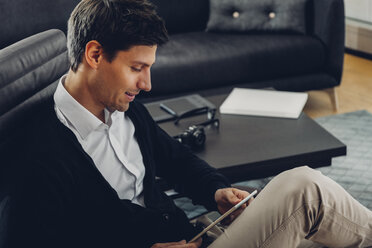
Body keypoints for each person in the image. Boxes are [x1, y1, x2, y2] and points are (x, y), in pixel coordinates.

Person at [8, 0, 372, 247]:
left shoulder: (122, 106)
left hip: (194, 233)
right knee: (305, 190)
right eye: (137, 68)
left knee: (319, 226)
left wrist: (215, 191)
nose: (147, 84)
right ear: (94, 54)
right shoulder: (40, 154)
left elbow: (174, 158)